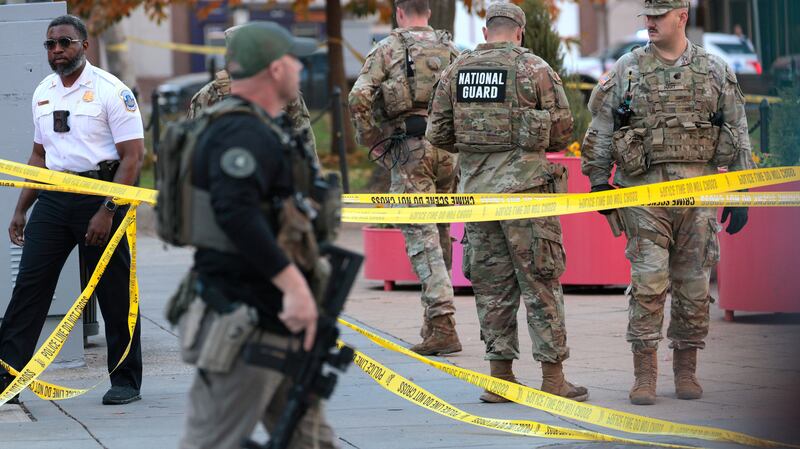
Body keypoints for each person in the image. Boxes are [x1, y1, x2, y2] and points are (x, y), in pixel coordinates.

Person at [581, 0, 755, 405]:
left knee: (694, 287)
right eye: (647, 17)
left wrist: (742, 189)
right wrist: (597, 183)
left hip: (697, 197)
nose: (650, 24)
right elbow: (602, 127)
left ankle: (686, 370)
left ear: (682, 16)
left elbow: (737, 126)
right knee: (648, 283)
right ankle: (644, 375)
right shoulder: (626, 68)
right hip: (644, 197)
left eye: (658, 17)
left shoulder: (714, 70)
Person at [177, 22, 338, 449]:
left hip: (277, 318)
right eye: (293, 61)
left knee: (311, 440)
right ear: (273, 69)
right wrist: (294, 287)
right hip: (246, 318)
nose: (301, 69)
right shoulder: (240, 132)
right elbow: (236, 214)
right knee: (213, 440)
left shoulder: (264, 128)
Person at [427, 2, 589, 403]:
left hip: (478, 197)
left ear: (486, 32)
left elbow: (438, 133)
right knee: (541, 283)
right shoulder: (535, 69)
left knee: (491, 288)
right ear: (519, 32)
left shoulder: (456, 71)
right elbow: (563, 130)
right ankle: (553, 379)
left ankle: (500, 379)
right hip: (527, 196)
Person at [0, 14, 144, 406]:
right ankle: (7, 376)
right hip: (55, 197)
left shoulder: (111, 91)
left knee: (114, 291)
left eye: (64, 42)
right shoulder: (43, 91)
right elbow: (39, 155)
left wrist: (108, 208)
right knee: (29, 285)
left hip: (103, 194)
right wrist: (21, 209)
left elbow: (133, 158)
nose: (57, 50)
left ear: (84, 45)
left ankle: (125, 380)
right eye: (50, 44)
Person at [349, 0, 462, 356]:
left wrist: (373, 143)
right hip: (448, 151)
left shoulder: (388, 48)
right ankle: (435, 323)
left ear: (399, 12)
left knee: (420, 233)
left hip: (410, 150)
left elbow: (358, 96)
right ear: (427, 12)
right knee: (439, 229)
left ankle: (443, 322)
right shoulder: (451, 48)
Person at [187, 26, 317, 164]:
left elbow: (305, 143)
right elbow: (192, 153)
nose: (299, 66)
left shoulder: (284, 91)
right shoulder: (208, 95)